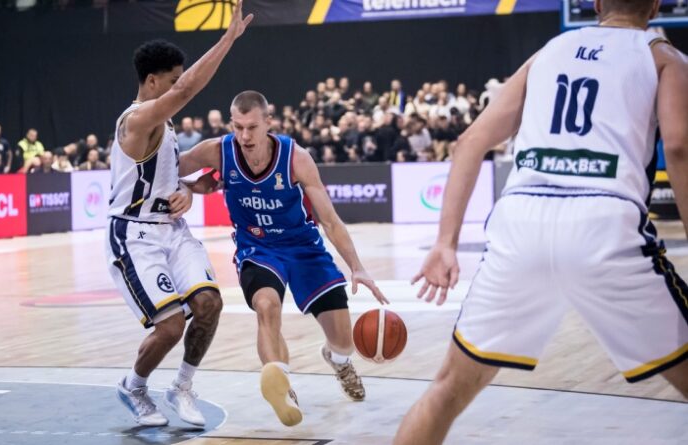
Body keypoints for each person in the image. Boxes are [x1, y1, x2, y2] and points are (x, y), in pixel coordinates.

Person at [396, 1, 688, 443]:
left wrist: (445, 243)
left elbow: (470, 141)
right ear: (656, 5)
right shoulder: (664, 58)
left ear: (596, 4)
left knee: (448, 388)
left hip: (520, 223)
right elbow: (680, 146)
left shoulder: (550, 51)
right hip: (603, 222)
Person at [180, 91, 388, 426]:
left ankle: (338, 360)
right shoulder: (218, 151)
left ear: (269, 122)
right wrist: (185, 187)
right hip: (258, 249)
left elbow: (330, 221)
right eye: (238, 127)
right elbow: (168, 168)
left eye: (252, 127)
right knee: (267, 306)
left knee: (344, 342)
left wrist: (357, 267)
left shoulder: (296, 158)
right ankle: (280, 385)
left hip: (304, 247)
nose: (244, 136)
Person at [107, 2, 251, 428]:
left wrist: (189, 187)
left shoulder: (165, 129)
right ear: (152, 81)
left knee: (209, 304)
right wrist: (228, 40)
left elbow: (172, 173)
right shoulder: (135, 121)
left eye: (177, 80)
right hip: (134, 235)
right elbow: (187, 90)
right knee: (170, 327)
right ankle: (133, 386)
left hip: (172, 230)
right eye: (171, 81)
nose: (177, 88)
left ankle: (182, 386)